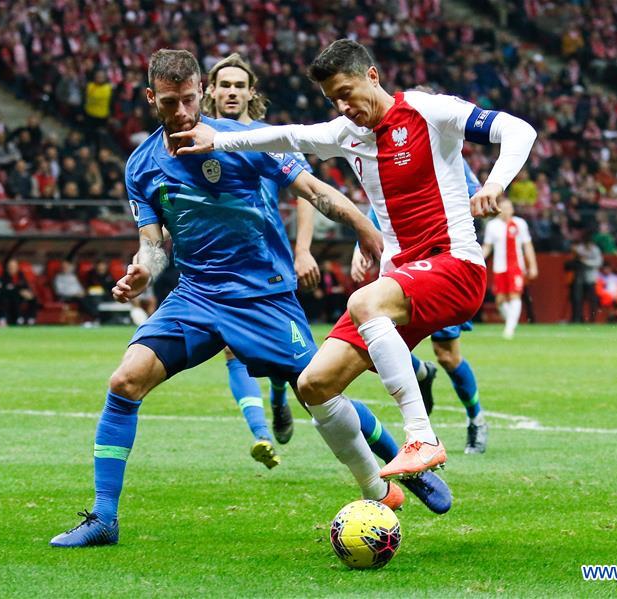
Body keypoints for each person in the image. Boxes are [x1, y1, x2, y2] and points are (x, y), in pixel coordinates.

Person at [49, 49, 435, 548]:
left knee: (318, 387)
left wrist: (363, 227)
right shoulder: (142, 166)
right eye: (171, 103)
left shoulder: (244, 141)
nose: (184, 112)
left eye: (190, 99)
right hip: (196, 296)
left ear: (200, 92)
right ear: (152, 99)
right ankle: (104, 518)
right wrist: (143, 272)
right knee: (124, 381)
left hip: (263, 297)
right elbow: (153, 243)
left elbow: (313, 190)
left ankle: (403, 460)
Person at [174, 39, 535, 501]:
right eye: (333, 101)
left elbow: (519, 130)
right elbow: (288, 136)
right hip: (404, 277)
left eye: (347, 92)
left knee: (363, 301)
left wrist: (494, 184)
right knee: (314, 385)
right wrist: (219, 139)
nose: (344, 107)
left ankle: (421, 436)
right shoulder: (346, 133)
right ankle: (379, 492)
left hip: (454, 266)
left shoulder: (426, 109)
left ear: (373, 77)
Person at [201, 53, 319, 467]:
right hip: (222, 266)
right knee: (233, 350)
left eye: (239, 86)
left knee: (289, 362)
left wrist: (303, 249)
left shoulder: (270, 137)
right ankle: (260, 434)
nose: (231, 92)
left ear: (252, 93)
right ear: (210, 91)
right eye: (224, 85)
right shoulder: (197, 137)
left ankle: (279, 395)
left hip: (271, 264)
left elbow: (306, 192)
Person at [350, 158, 488, 453]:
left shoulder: (444, 152)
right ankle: (422, 373)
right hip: (402, 269)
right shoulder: (391, 152)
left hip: (440, 266)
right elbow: (380, 202)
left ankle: (476, 419)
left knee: (448, 356)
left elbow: (475, 195)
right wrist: (358, 247)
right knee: (377, 347)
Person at [482, 199, 538, 339]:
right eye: (503, 208)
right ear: (498, 209)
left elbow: (527, 246)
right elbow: (487, 247)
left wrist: (533, 265)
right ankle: (511, 321)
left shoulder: (520, 223)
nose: (506, 211)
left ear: (512, 210)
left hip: (516, 266)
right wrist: (476, 261)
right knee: (500, 300)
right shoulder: (492, 226)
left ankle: (509, 329)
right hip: (499, 267)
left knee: (514, 295)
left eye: (509, 208)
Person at [568, 232, 602, 323]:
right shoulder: (580, 249)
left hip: (591, 279)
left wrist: (585, 262)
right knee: (578, 300)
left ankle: (593, 319)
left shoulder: (595, 249)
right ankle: (578, 318)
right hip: (580, 278)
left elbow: (598, 262)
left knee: (592, 300)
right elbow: (574, 259)